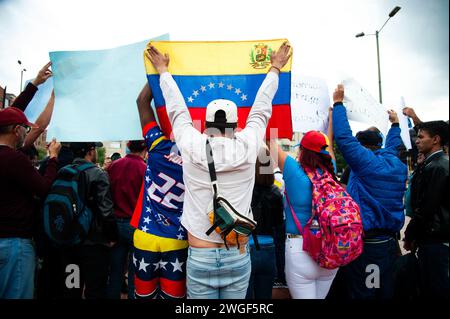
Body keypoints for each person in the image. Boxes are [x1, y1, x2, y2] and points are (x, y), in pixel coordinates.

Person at [145, 41, 291, 299]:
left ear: (207, 124)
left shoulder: (191, 143)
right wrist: (275, 68)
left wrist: (163, 72)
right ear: (236, 125)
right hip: (237, 252)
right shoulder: (249, 143)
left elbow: (177, 110)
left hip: (200, 253)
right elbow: (261, 108)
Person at [332, 84, 407, 299]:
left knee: (366, 291)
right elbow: (394, 146)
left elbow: (344, 139)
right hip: (388, 244)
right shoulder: (395, 162)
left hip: (370, 247)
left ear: (363, 148)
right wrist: (394, 125)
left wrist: (338, 104)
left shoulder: (366, 163)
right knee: (383, 291)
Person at [270, 107, 339, 299]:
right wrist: (331, 120)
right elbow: (329, 145)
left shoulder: (293, 171)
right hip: (330, 249)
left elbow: (270, 141)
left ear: (301, 150)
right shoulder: (330, 171)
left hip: (300, 249)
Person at [130, 83, 188, 299]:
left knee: (144, 296)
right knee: (173, 298)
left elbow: (141, 101)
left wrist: (155, 74)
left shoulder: (156, 144)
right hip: (177, 236)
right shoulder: (201, 155)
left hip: (145, 234)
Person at [0, 106, 61, 299]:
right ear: (16, 130)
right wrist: (52, 159)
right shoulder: (14, 159)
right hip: (14, 242)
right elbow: (43, 188)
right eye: (25, 128)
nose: (27, 132)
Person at [56, 142, 118, 299]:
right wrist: (112, 236)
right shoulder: (98, 174)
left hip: (68, 241)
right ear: (90, 151)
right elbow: (106, 210)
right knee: (95, 290)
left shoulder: (63, 171)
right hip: (94, 244)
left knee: (71, 288)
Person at [403, 120, 449, 298]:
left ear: (436, 139)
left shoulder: (438, 166)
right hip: (433, 238)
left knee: (434, 289)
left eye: (421, 137)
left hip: (435, 240)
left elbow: (426, 207)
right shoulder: (433, 164)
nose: (417, 141)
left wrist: (410, 234)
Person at [106, 140, 147, 299]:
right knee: (134, 272)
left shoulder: (114, 165)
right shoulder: (144, 168)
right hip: (136, 225)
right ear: (144, 148)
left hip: (116, 223)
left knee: (115, 271)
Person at [246, 146, 284, 299]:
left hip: (247, 248)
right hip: (269, 250)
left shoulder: (246, 191)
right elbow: (279, 226)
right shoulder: (276, 193)